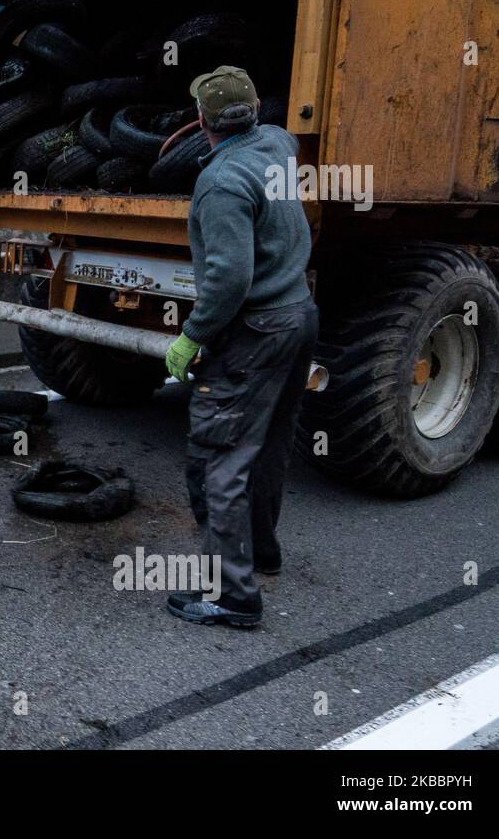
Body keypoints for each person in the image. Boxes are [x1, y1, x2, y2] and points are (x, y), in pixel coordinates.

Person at [163, 66, 318, 628]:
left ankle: (234, 596)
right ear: (253, 114)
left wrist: (192, 336)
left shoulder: (222, 182)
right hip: (299, 316)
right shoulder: (277, 145)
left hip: (255, 330)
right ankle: (261, 553)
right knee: (271, 440)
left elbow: (230, 279)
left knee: (218, 457)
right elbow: (288, 134)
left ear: (202, 120)